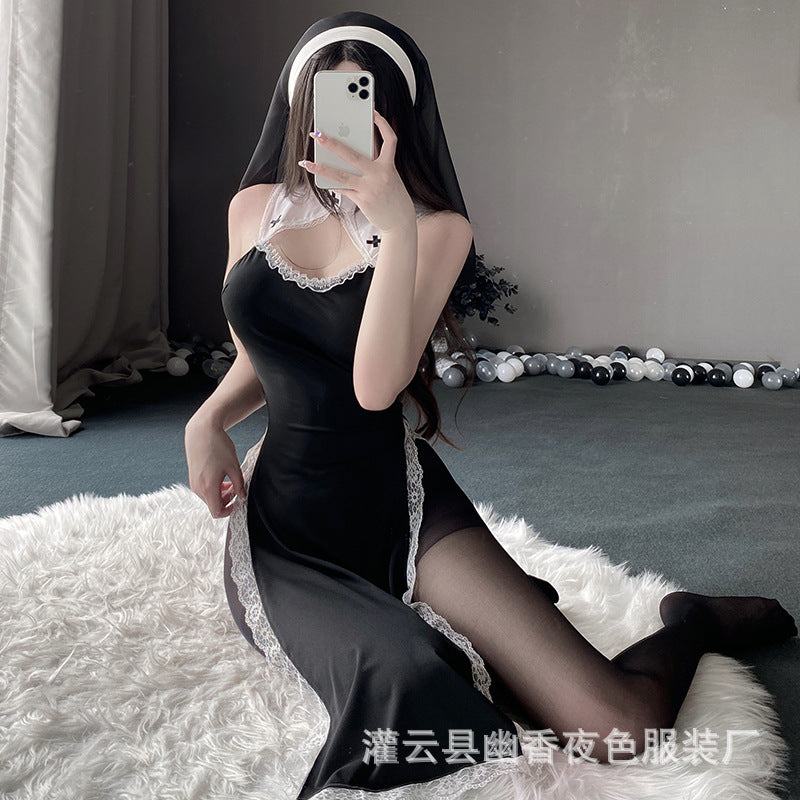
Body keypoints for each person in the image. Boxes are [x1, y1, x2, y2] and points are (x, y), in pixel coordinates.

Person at [183, 11, 798, 799]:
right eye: (326, 100)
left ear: (394, 115)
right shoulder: (254, 209)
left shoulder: (436, 230)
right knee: (406, 677)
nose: (340, 124)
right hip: (290, 526)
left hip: (402, 501)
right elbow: (262, 355)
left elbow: (374, 387)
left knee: (615, 726)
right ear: (300, 105)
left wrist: (394, 224)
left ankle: (693, 620)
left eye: (361, 101)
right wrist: (206, 419)